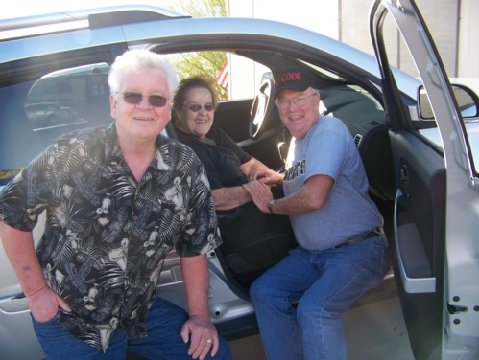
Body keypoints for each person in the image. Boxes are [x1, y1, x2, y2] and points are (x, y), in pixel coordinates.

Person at [0, 49, 231, 360]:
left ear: (167, 110)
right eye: (133, 96)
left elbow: (195, 246)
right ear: (113, 104)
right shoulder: (71, 154)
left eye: (157, 99)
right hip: (73, 318)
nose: (144, 107)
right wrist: (38, 294)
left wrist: (200, 318)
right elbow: (11, 215)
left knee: (214, 354)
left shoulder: (184, 166)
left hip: (139, 312)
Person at [243, 68, 390, 360]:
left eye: (299, 98)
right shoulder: (298, 143)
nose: (292, 108)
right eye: (283, 102)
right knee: (265, 292)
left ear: (316, 99)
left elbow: (313, 198)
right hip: (312, 256)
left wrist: (270, 206)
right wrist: (278, 178)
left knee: (316, 309)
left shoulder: (329, 131)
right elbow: (300, 176)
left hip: (358, 250)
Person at [172, 78, 295, 285]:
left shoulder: (212, 133)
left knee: (294, 189)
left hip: (254, 206)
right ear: (178, 110)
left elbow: (249, 163)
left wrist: (270, 177)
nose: (203, 113)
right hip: (237, 230)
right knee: (304, 203)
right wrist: (251, 190)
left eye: (208, 107)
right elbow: (206, 200)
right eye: (195, 107)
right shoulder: (182, 150)